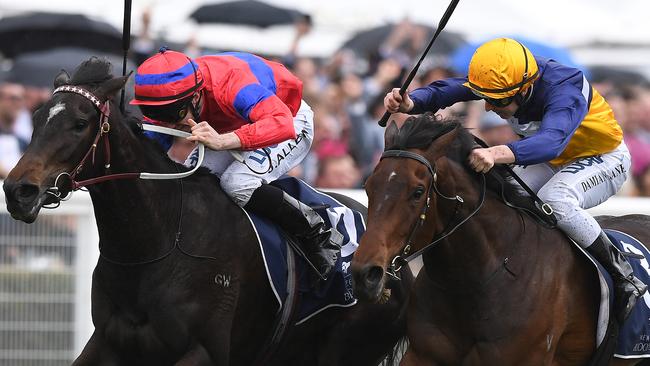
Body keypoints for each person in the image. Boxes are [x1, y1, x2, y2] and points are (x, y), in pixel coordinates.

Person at [384, 37, 647, 323]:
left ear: (525, 88)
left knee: (555, 200)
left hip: (602, 158)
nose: (487, 108)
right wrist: (413, 101)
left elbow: (551, 142)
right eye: (486, 98)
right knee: (501, 196)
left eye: (497, 101)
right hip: (552, 158)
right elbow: (453, 89)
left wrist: (498, 152)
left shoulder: (566, 87)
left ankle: (622, 274)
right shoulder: (506, 79)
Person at [130, 48, 342, 279]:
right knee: (189, 180)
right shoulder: (167, 101)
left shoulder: (231, 83)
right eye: (155, 113)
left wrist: (224, 141)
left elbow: (280, 123)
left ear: (196, 95)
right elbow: (145, 156)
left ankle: (318, 233)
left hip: (287, 119)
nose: (168, 125)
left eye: (173, 114)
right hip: (237, 123)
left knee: (237, 183)